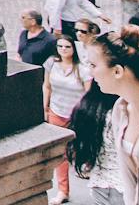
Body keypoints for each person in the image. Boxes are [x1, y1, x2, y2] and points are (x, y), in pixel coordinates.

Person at [73, 27, 139, 205]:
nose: (90, 72)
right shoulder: (121, 110)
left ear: (117, 71)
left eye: (94, 65)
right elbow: (130, 187)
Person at [45, 33, 90, 202]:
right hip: (56, 111)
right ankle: (63, 190)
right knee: (60, 152)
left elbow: (87, 94)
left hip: (76, 114)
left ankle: (86, 167)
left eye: (67, 46)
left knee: (80, 147)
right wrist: (45, 107)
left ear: (73, 49)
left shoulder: (82, 69)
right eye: (60, 46)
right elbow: (47, 86)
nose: (63, 49)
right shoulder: (51, 63)